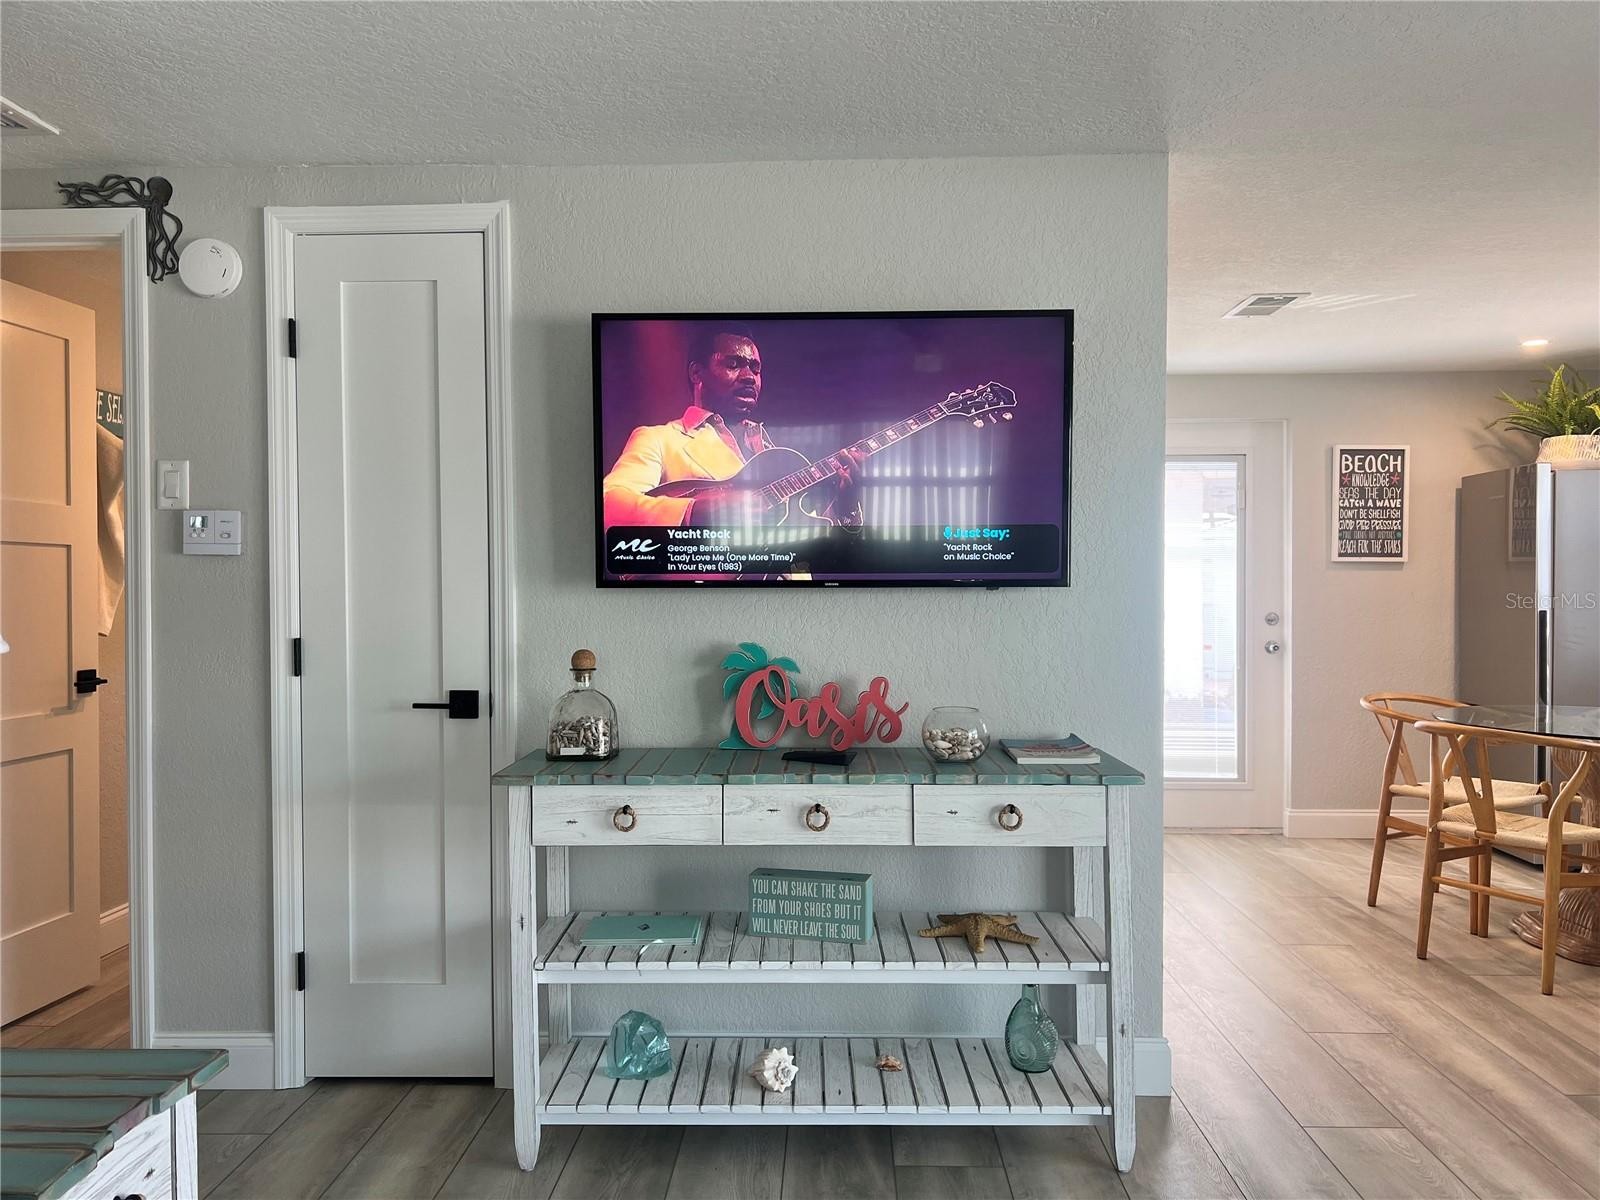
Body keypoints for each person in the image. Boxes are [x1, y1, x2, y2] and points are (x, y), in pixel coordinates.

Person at [601, 326, 863, 531]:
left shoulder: (778, 450)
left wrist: (847, 506)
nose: (749, 377)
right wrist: (696, 512)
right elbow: (609, 504)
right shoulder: (659, 439)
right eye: (733, 364)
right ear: (697, 373)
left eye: (755, 368)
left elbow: (811, 542)